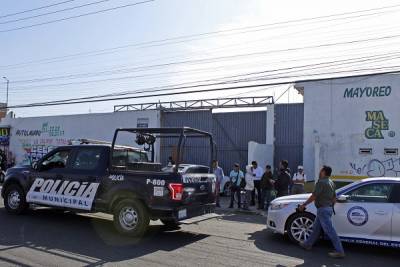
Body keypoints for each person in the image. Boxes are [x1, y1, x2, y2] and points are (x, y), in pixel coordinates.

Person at [298, 165, 345, 259]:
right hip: (327, 209)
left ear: (323, 172)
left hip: (323, 210)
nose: (319, 172)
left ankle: (340, 251)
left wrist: (304, 205)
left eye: (321, 170)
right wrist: (330, 207)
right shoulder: (331, 182)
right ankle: (307, 244)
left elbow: (314, 196)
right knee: (316, 228)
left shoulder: (321, 182)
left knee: (330, 231)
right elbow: (334, 198)